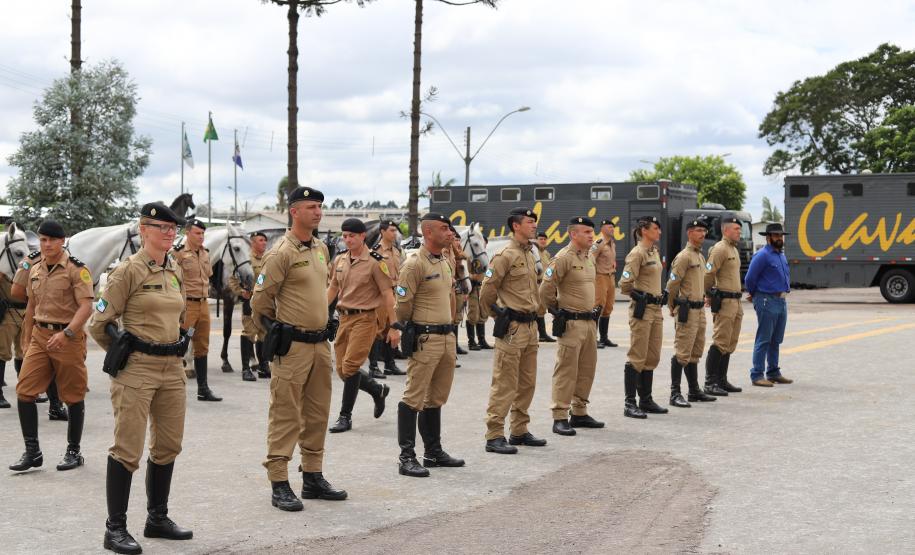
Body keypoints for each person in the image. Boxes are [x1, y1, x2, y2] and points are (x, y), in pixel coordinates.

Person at [90, 203, 194, 554]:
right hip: (137, 370)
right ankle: (114, 529)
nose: (168, 232)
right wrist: (124, 353)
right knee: (127, 448)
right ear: (142, 229)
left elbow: (177, 315)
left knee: (168, 445)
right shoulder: (127, 272)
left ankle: (157, 518)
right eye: (160, 226)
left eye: (172, 228)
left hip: (171, 368)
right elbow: (98, 323)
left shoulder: (174, 268)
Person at [250, 186, 348, 512]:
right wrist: (276, 334)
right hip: (293, 348)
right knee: (286, 414)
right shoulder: (281, 253)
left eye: (320, 206)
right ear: (294, 212)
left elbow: (320, 292)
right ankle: (279, 481)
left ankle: (313, 476)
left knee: (318, 413)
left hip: (320, 344)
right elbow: (259, 303)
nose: (318, 212)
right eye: (311, 207)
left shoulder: (320, 248)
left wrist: (327, 318)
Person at [9, 220, 93, 473]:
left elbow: (87, 306)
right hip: (40, 336)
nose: (46, 245)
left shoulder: (76, 270)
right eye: (43, 240)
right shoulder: (35, 269)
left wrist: (67, 333)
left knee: (73, 396)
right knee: (24, 392)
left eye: (51, 240)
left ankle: (73, 451)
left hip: (67, 338)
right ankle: (33, 452)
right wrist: (27, 339)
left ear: (63, 240)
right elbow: (31, 306)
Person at [394, 213, 465, 477]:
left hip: (446, 337)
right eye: (444, 229)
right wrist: (412, 328)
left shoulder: (445, 260)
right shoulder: (414, 264)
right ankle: (406, 457)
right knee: (414, 397)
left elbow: (450, 296)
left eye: (450, 229)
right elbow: (402, 305)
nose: (450, 233)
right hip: (425, 338)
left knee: (436, 397)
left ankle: (433, 452)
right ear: (428, 233)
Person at [481, 207, 546, 454]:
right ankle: (494, 434)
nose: (534, 225)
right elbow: (486, 292)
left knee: (527, 382)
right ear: (515, 226)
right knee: (505, 382)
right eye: (529, 222)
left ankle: (519, 430)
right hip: (513, 328)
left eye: (534, 222)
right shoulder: (504, 255)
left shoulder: (531, 253)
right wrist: (500, 316)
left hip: (530, 327)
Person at [327, 218, 398, 434]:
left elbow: (388, 294)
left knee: (350, 367)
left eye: (352, 236)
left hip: (365, 319)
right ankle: (377, 390)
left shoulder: (376, 262)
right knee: (342, 370)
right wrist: (320, 312)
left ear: (362, 236)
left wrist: (394, 326)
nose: (347, 240)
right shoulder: (340, 260)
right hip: (344, 319)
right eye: (345, 236)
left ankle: (345, 416)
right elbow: (332, 289)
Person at [539, 217, 604, 436]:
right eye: (586, 232)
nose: (590, 236)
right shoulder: (563, 258)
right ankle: (559, 416)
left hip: (589, 322)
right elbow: (545, 289)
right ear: (573, 234)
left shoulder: (589, 257)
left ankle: (579, 412)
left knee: (587, 369)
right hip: (571, 323)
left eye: (591, 232)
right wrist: (557, 311)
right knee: (566, 371)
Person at [618, 216, 668, 419]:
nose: (659, 232)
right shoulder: (637, 253)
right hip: (643, 310)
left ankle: (645, 399)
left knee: (652, 355)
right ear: (644, 231)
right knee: (637, 355)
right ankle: (630, 403)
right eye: (656, 228)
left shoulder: (653, 251)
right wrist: (640, 296)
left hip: (656, 309)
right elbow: (625, 284)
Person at [9, 250, 68, 419]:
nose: (48, 243)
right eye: (44, 239)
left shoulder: (68, 259)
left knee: (57, 365)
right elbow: (16, 290)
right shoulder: (31, 259)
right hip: (37, 319)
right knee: (33, 359)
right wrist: (38, 300)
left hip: (60, 322)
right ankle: (42, 401)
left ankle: (55, 406)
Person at [666, 217, 717, 407]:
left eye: (704, 231)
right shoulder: (684, 256)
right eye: (698, 231)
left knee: (695, 351)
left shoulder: (700, 256)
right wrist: (672, 306)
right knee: (682, 351)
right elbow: (672, 284)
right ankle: (675, 393)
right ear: (689, 233)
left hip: (699, 310)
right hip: (686, 310)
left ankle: (694, 390)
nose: (702, 234)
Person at [171, 218, 221, 401]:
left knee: (202, 346)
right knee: (180, 344)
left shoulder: (205, 254)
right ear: (187, 233)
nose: (201, 237)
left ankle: (203, 389)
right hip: (187, 306)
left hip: (203, 305)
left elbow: (208, 277)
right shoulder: (178, 254)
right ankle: (173, 389)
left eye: (202, 233)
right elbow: (171, 280)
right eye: (197, 233)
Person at [745, 223, 794, 387]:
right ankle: (757, 374)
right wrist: (755, 295)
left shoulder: (781, 255)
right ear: (768, 237)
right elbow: (749, 278)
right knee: (764, 339)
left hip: (781, 300)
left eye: (780, 235)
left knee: (776, 339)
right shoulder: (762, 255)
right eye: (775, 235)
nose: (779, 238)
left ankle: (773, 372)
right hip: (766, 299)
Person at [703, 216, 745, 396]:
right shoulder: (719, 249)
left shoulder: (733, 249)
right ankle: (710, 382)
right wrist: (708, 294)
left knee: (730, 342)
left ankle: (722, 379)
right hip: (725, 300)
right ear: (726, 230)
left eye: (740, 229)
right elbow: (708, 274)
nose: (739, 232)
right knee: (720, 340)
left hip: (736, 301)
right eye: (736, 229)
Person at [229, 230, 268, 382]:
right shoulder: (246, 260)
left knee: (263, 333)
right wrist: (240, 292)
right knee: (249, 333)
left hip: (265, 303)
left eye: (265, 240)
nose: (264, 243)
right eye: (260, 240)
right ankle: (246, 369)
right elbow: (232, 280)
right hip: (250, 302)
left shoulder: (267, 259)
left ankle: (263, 366)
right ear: (252, 243)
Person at [368, 220, 405, 378]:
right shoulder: (374, 251)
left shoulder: (397, 251)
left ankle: (390, 365)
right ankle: (373, 366)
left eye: (395, 230)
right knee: (378, 331)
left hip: (395, 294)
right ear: (382, 232)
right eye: (391, 230)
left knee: (393, 327)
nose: (394, 233)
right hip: (381, 296)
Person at [590, 219, 618, 348]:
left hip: (611, 277)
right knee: (598, 307)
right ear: (602, 229)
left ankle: (604, 338)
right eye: (609, 227)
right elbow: (591, 258)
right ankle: (592, 338)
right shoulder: (599, 243)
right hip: (600, 277)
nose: (612, 229)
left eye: (613, 227)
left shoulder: (612, 243)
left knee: (608, 308)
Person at [465, 235, 492, 352]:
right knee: (473, 314)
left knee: (483, 315)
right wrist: (473, 277)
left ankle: (482, 340)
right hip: (474, 288)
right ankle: (471, 341)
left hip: (483, 287)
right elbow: (466, 273)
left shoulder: (486, 257)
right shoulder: (470, 258)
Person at [449, 228, 470, 356]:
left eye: (458, 239)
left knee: (457, 318)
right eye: (455, 239)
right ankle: (452, 348)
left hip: (460, 288)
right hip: (452, 288)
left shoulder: (460, 254)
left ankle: (455, 345)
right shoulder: (451, 253)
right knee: (451, 318)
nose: (457, 241)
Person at [534, 232, 556, 343]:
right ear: (536, 240)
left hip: (546, 284)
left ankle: (542, 335)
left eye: (544, 239)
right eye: (540, 239)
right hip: (536, 284)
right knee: (536, 309)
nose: (543, 241)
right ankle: (537, 334)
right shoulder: (533, 252)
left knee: (542, 309)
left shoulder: (546, 254)